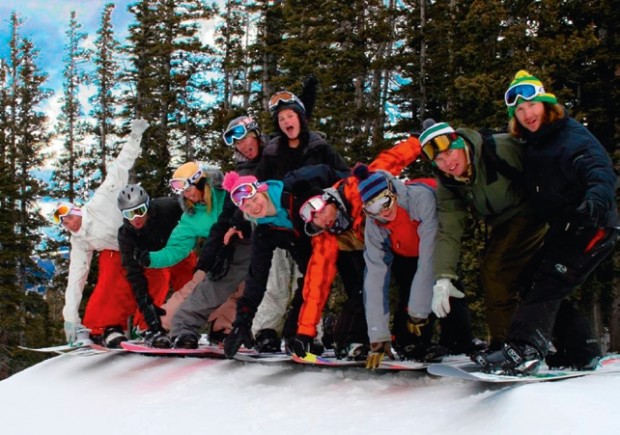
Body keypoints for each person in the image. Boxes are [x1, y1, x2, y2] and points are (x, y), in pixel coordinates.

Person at [473, 70, 618, 375]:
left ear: (546, 104)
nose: (527, 114)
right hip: (565, 228)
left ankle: (523, 350)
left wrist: (594, 201)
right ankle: (580, 350)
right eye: (520, 110)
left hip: (592, 224)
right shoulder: (534, 142)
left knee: (549, 281)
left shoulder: (570, 137)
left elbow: (599, 170)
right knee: (529, 278)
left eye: (532, 105)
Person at [226, 87, 350, 353]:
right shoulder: (272, 152)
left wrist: (333, 201)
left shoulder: (320, 148)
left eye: (290, 116)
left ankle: (309, 332)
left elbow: (344, 176)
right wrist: (238, 221)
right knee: (276, 279)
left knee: (312, 277)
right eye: (281, 119)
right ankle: (265, 330)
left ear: (301, 118)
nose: (286, 122)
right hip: (276, 220)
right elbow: (253, 191)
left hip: (313, 221)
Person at [286, 135, 422, 361]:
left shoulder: (355, 189)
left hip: (396, 239)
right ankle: (351, 340)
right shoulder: (325, 236)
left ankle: (409, 340)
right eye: (313, 219)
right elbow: (316, 284)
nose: (322, 219)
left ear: (328, 199)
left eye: (320, 209)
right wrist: (304, 332)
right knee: (363, 289)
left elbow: (390, 161)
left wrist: (420, 141)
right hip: (366, 251)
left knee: (411, 283)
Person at [418, 120, 547, 350]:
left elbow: (546, 162)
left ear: (459, 143)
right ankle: (572, 345)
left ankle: (507, 345)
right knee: (530, 279)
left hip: (533, 213)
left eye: (449, 153)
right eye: (439, 160)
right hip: (503, 225)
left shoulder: (500, 148)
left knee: (496, 270)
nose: (448, 163)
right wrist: (443, 277)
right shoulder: (449, 183)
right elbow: (449, 229)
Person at [353, 166, 481, 369]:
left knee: (445, 287)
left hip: (435, 246)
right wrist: (378, 335)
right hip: (404, 254)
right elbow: (375, 277)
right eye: (373, 208)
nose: (383, 212)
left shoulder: (420, 198)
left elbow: (429, 257)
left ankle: (459, 340)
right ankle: (410, 344)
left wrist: (419, 311)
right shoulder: (374, 223)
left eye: (385, 202)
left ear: (393, 191)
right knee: (408, 293)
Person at [169, 115, 263, 349]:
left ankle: (293, 333)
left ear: (257, 134)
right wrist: (210, 255)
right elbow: (226, 216)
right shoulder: (240, 172)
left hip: (286, 229)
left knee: (290, 282)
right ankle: (182, 326)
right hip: (245, 236)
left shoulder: (278, 155)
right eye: (237, 143)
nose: (242, 146)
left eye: (245, 139)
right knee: (218, 281)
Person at [54, 119, 148, 348]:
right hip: (118, 252)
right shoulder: (79, 241)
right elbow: (76, 277)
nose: (69, 223)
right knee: (109, 278)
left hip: (144, 242)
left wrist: (135, 137)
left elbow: (119, 168)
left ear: (77, 210)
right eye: (64, 222)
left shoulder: (101, 201)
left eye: (70, 216)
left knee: (158, 277)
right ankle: (106, 328)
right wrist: (70, 317)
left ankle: (147, 326)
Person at [221, 171, 326, 358]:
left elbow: (327, 172)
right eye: (247, 206)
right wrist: (242, 322)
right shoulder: (264, 230)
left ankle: (354, 336)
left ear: (263, 191)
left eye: (254, 199)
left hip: (334, 236)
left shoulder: (291, 195)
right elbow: (256, 278)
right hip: (308, 252)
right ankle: (293, 333)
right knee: (302, 282)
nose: (254, 207)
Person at [133, 161, 226, 331]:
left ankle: (224, 329)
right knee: (194, 288)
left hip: (246, 248)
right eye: (183, 192)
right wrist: (151, 258)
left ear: (201, 183)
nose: (187, 195)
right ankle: (160, 326)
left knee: (240, 293)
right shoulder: (191, 217)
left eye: (189, 189)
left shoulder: (224, 194)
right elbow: (177, 248)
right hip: (217, 258)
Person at [117, 184, 196, 348]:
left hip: (179, 252)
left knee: (192, 283)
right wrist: (145, 305)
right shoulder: (126, 235)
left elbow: (196, 212)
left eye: (140, 210)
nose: (136, 218)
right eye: (129, 213)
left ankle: (185, 326)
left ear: (148, 205)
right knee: (155, 282)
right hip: (152, 261)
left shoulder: (168, 207)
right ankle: (148, 327)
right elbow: (133, 273)